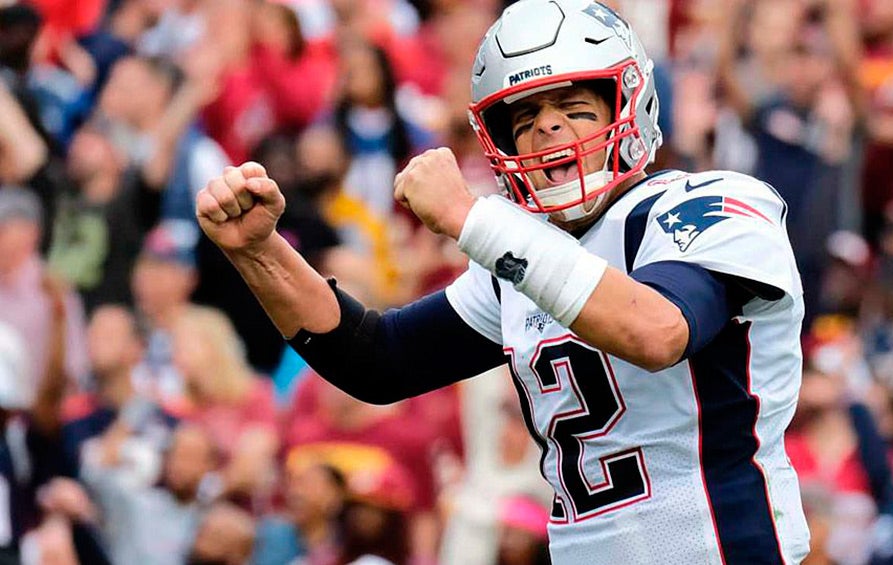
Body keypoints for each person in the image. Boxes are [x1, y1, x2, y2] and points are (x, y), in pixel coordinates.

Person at [196, 1, 809, 563]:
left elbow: (656, 330)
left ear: (629, 106)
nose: (547, 129)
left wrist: (474, 220)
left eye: (573, 109)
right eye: (526, 117)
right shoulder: (518, 258)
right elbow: (376, 361)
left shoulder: (716, 202)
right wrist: (260, 253)